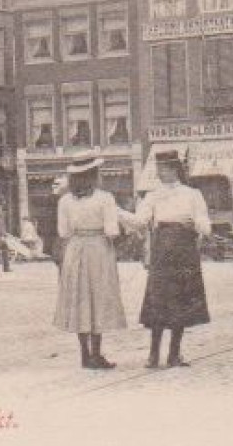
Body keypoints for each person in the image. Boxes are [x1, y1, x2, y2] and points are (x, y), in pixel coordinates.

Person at [54, 156, 136, 370]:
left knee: (80, 300)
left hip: (74, 249)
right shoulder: (105, 198)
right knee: (98, 299)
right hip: (98, 249)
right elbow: (112, 230)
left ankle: (84, 354)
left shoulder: (65, 200)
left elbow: (63, 232)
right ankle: (97, 354)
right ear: (93, 175)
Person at [136, 151, 212, 368]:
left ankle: (174, 354)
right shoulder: (152, 196)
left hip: (184, 249)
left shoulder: (192, 194)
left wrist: (201, 226)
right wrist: (117, 212)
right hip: (162, 250)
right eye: (158, 169)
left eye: (163, 169)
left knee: (180, 300)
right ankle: (153, 355)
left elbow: (202, 220)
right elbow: (141, 220)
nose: (159, 173)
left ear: (174, 169)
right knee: (157, 300)